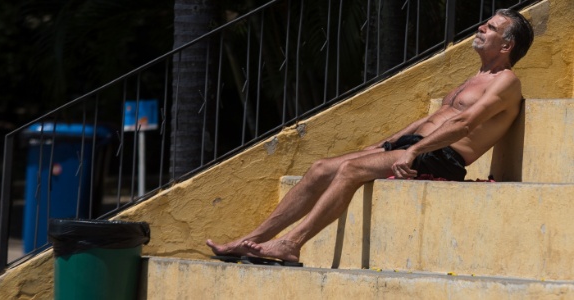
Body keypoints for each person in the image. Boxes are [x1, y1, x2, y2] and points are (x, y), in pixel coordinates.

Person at [207, 8, 534, 263]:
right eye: (485, 23)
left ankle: (292, 244)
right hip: (417, 148)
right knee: (322, 167)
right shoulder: (474, 76)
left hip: (441, 157)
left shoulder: (506, 81)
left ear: (507, 44)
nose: (481, 28)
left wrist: (412, 150)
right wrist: (385, 145)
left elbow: (463, 124)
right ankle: (254, 239)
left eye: (490, 27)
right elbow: (430, 118)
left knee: (351, 170)